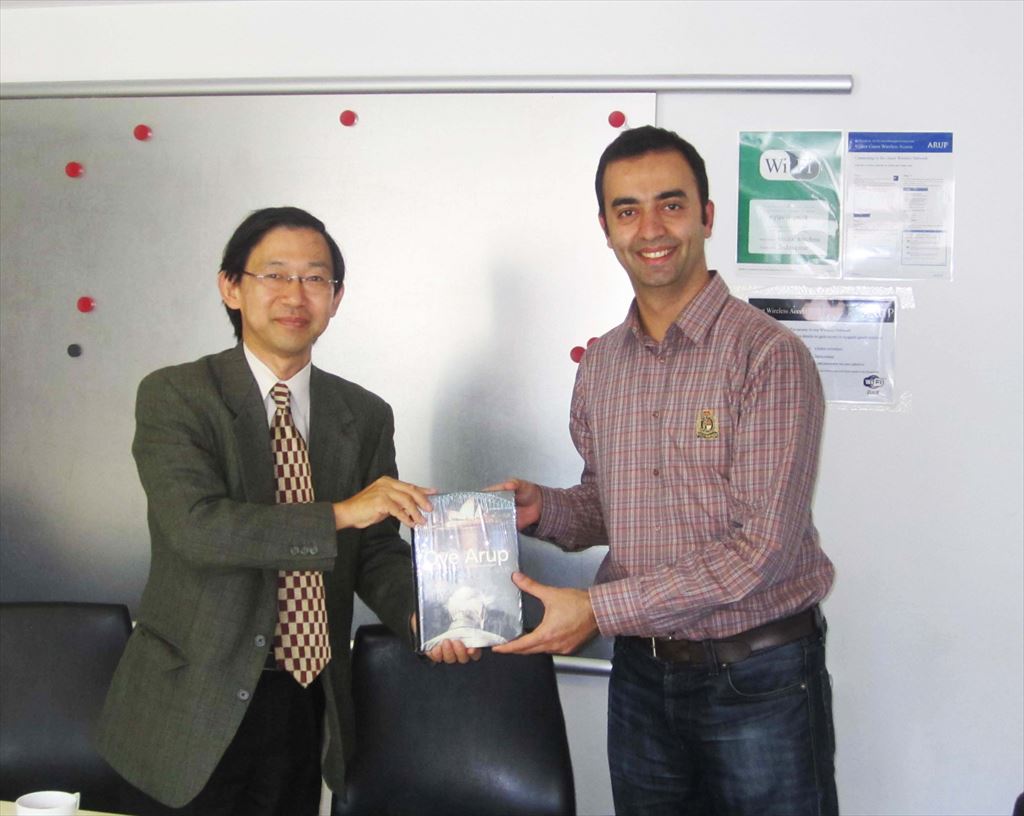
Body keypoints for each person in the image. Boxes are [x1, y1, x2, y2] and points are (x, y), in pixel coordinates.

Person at [492, 127, 839, 816]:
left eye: (671, 205)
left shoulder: (768, 356)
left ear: (706, 215)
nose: (650, 229)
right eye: (627, 210)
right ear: (606, 228)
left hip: (757, 678)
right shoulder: (601, 364)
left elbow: (760, 550)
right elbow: (612, 505)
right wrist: (544, 509)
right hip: (642, 681)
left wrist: (598, 610)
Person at [96, 206, 474, 816]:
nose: (296, 295)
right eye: (274, 274)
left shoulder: (363, 414)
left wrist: (427, 618)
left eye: (315, 278)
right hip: (188, 705)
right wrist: (340, 513)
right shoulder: (177, 395)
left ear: (336, 298)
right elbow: (198, 529)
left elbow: (375, 551)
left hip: (305, 698)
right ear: (232, 287)